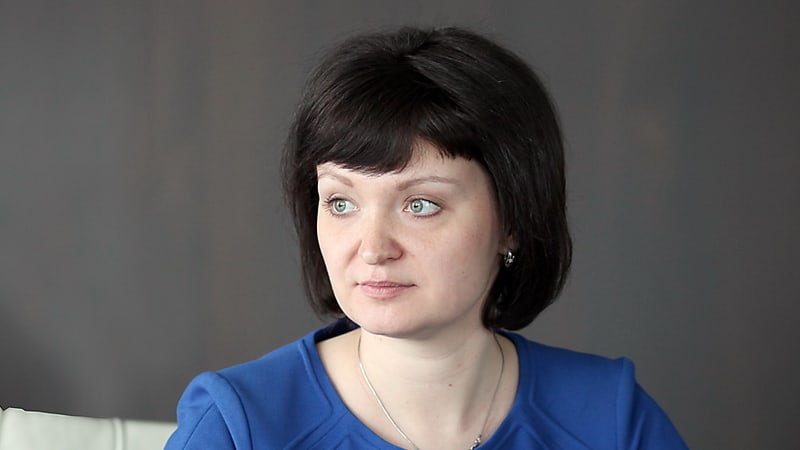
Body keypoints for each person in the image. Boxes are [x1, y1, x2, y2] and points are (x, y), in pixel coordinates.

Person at [165, 26, 688, 449]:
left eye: (420, 205)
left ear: (513, 221)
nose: (373, 248)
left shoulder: (611, 417)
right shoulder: (238, 424)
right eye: (341, 203)